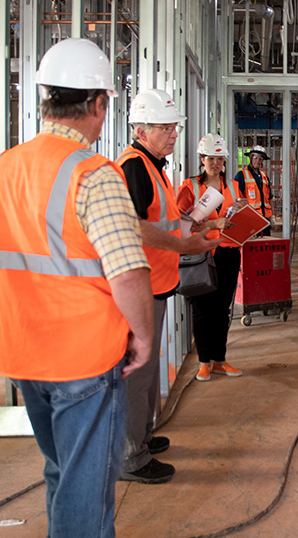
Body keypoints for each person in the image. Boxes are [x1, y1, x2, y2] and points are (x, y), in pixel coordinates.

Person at [0, 38, 154, 537]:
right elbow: (128, 273)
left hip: (23, 354)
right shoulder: (94, 175)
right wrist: (145, 337)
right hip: (83, 361)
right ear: (99, 104)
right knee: (86, 493)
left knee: (60, 471)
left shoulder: (6, 168)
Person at [118, 89, 221, 484]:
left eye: (174, 127)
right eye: (165, 128)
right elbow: (133, 225)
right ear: (141, 130)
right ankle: (131, 456)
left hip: (156, 282)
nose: (173, 134)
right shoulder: (133, 168)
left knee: (147, 372)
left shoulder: (154, 165)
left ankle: (142, 437)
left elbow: (161, 218)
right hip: (139, 285)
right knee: (137, 374)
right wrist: (184, 243)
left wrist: (198, 224)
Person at [177, 133, 244, 381]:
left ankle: (220, 360)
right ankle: (203, 362)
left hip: (228, 252)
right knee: (202, 309)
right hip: (202, 254)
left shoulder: (233, 186)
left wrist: (242, 212)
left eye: (220, 158)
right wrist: (213, 222)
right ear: (202, 159)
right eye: (211, 158)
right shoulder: (190, 187)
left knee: (222, 309)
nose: (216, 163)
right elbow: (179, 224)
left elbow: (236, 218)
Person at [234, 144, 272, 236]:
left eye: (260, 159)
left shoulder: (264, 176)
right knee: (251, 247)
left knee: (264, 246)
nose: (258, 161)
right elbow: (236, 198)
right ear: (250, 158)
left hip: (264, 219)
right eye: (255, 158)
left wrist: (273, 216)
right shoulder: (241, 175)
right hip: (249, 220)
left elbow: (270, 198)